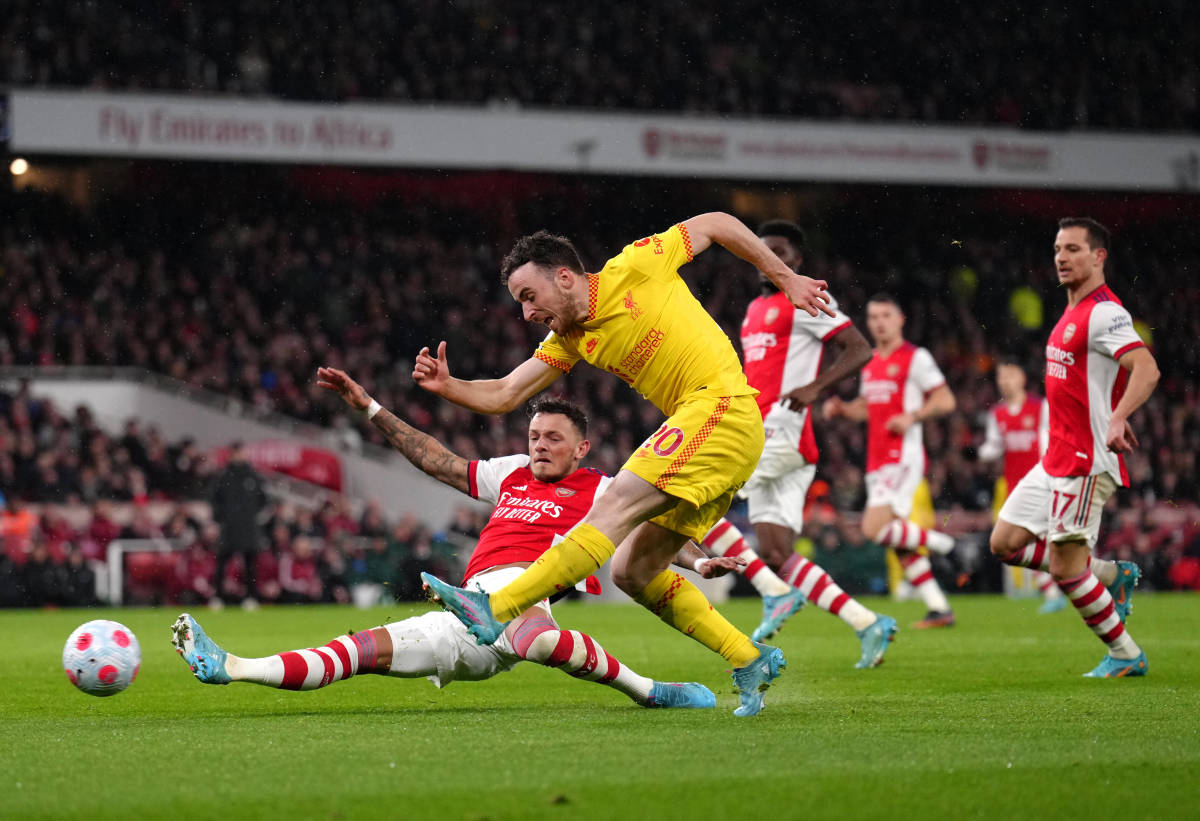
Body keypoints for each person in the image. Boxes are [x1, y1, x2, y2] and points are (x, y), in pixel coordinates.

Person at [413, 213, 834, 716]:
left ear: (564, 276)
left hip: (721, 406)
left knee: (615, 502)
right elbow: (507, 392)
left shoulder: (636, 265)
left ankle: (496, 608)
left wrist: (786, 279)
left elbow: (718, 223)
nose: (526, 313)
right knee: (633, 570)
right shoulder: (569, 338)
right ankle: (748, 658)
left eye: (529, 296)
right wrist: (449, 387)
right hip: (713, 436)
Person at [172, 379, 731, 709]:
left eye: (552, 439)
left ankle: (654, 691)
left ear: (581, 449)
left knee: (535, 637)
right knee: (354, 652)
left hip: (523, 596)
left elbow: (646, 530)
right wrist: (370, 408)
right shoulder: (511, 473)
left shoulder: (603, 490)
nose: (539, 446)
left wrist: (698, 558)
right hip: (465, 620)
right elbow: (435, 459)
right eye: (534, 435)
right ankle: (233, 667)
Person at [703, 219, 897, 668]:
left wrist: (817, 388)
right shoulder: (753, 310)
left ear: (797, 261)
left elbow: (859, 349)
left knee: (698, 496)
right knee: (774, 551)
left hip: (781, 434)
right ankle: (867, 622)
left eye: (780, 253)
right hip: (775, 438)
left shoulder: (806, 298)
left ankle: (774, 593)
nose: (768, 261)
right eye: (761, 251)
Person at [989, 218, 1157, 678]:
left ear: (1099, 256)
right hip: (1055, 459)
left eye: (1075, 249)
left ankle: (1126, 655)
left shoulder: (1105, 313)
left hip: (1085, 461)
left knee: (1066, 570)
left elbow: (1146, 368)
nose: (1062, 257)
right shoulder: (1072, 311)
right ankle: (1108, 575)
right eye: (1059, 248)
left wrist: (1120, 415)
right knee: (1003, 543)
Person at [823, 294, 958, 629]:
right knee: (896, 540)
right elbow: (867, 408)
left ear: (901, 320)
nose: (879, 322)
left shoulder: (916, 358)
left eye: (886, 315)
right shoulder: (869, 363)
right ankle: (939, 608)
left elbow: (946, 399)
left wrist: (913, 417)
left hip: (902, 456)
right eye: (873, 316)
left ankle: (943, 542)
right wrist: (843, 409)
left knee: (874, 528)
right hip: (877, 458)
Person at [978, 359, 1063, 613]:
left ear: (1022, 378)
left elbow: (1049, 444)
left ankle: (1065, 587)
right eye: (1001, 377)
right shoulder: (997, 415)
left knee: (1045, 539)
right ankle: (1051, 591)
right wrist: (982, 453)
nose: (1005, 381)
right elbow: (993, 447)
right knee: (1022, 541)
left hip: (1042, 483)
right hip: (1013, 487)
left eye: (1010, 375)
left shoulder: (1041, 408)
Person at [208, 441, 268, 608]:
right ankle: (218, 597)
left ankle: (251, 597)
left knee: (250, 565)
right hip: (229, 528)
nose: (241, 456)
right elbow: (214, 500)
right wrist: (222, 519)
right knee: (221, 563)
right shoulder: (223, 476)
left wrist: (251, 517)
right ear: (231, 454)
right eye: (237, 452)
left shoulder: (253, 476)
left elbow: (263, 500)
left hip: (248, 528)